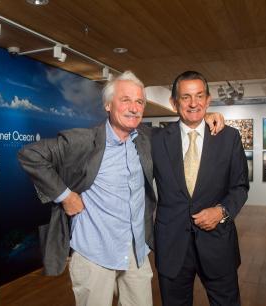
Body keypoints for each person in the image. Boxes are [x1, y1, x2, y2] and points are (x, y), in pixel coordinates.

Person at [18, 71, 224, 306]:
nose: (134, 108)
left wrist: (207, 117)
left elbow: (184, 128)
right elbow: (30, 155)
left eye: (139, 102)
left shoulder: (147, 138)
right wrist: (65, 195)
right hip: (94, 253)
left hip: (136, 254)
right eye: (125, 100)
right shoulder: (83, 140)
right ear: (107, 104)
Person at [152, 71, 249, 306]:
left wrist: (221, 211)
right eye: (186, 97)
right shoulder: (155, 139)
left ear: (208, 99)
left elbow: (240, 186)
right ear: (174, 103)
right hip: (172, 246)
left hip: (217, 245)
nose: (193, 103)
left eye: (199, 96)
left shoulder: (229, 138)